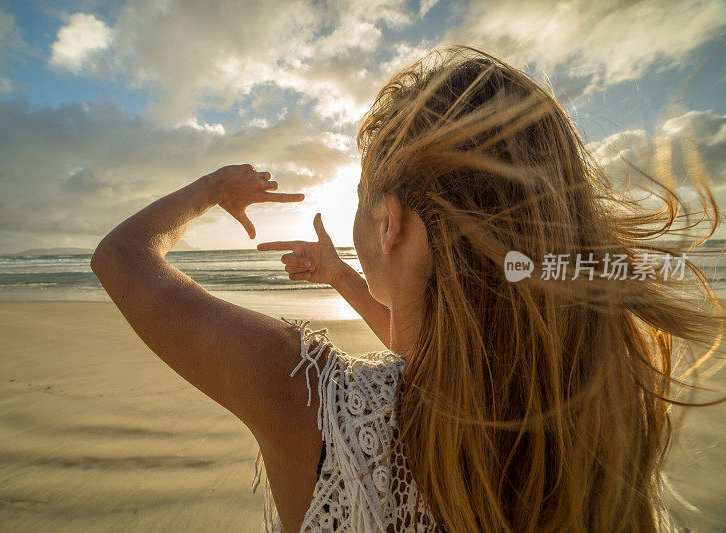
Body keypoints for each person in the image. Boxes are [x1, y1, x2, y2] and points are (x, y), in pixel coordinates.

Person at [91, 44, 725, 532]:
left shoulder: (308, 402)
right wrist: (340, 274)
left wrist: (211, 189)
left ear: (389, 220)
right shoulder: (602, 415)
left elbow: (120, 257)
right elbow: (425, 352)